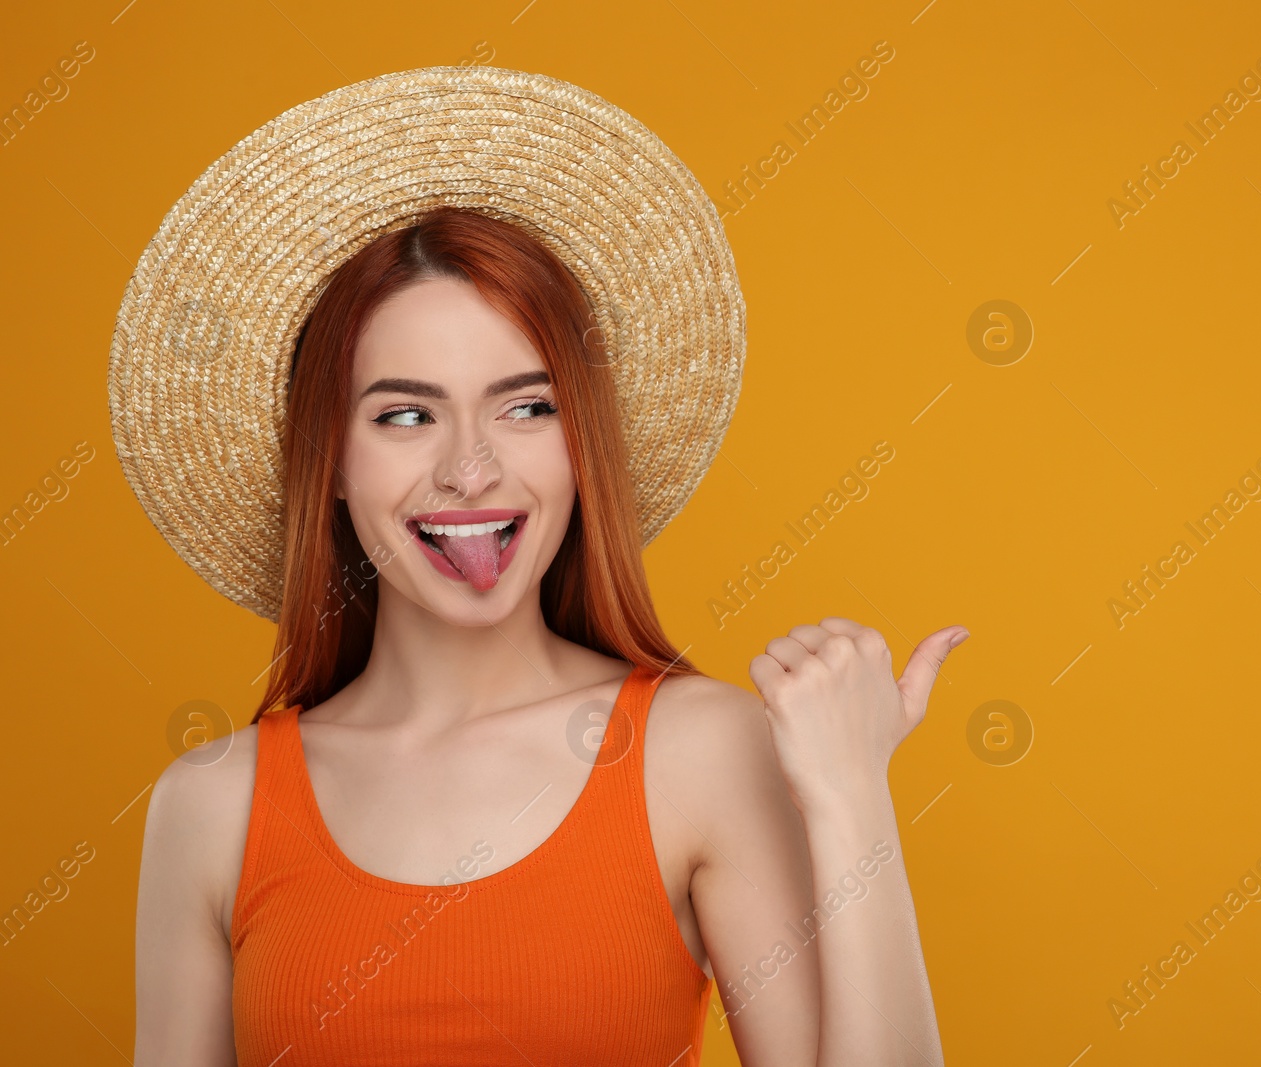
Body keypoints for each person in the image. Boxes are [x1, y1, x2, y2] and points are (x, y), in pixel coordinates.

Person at [112, 68, 966, 1066]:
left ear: (580, 444)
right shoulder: (210, 802)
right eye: (405, 413)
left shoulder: (698, 751)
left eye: (527, 405)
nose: (470, 469)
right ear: (332, 461)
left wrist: (850, 789)